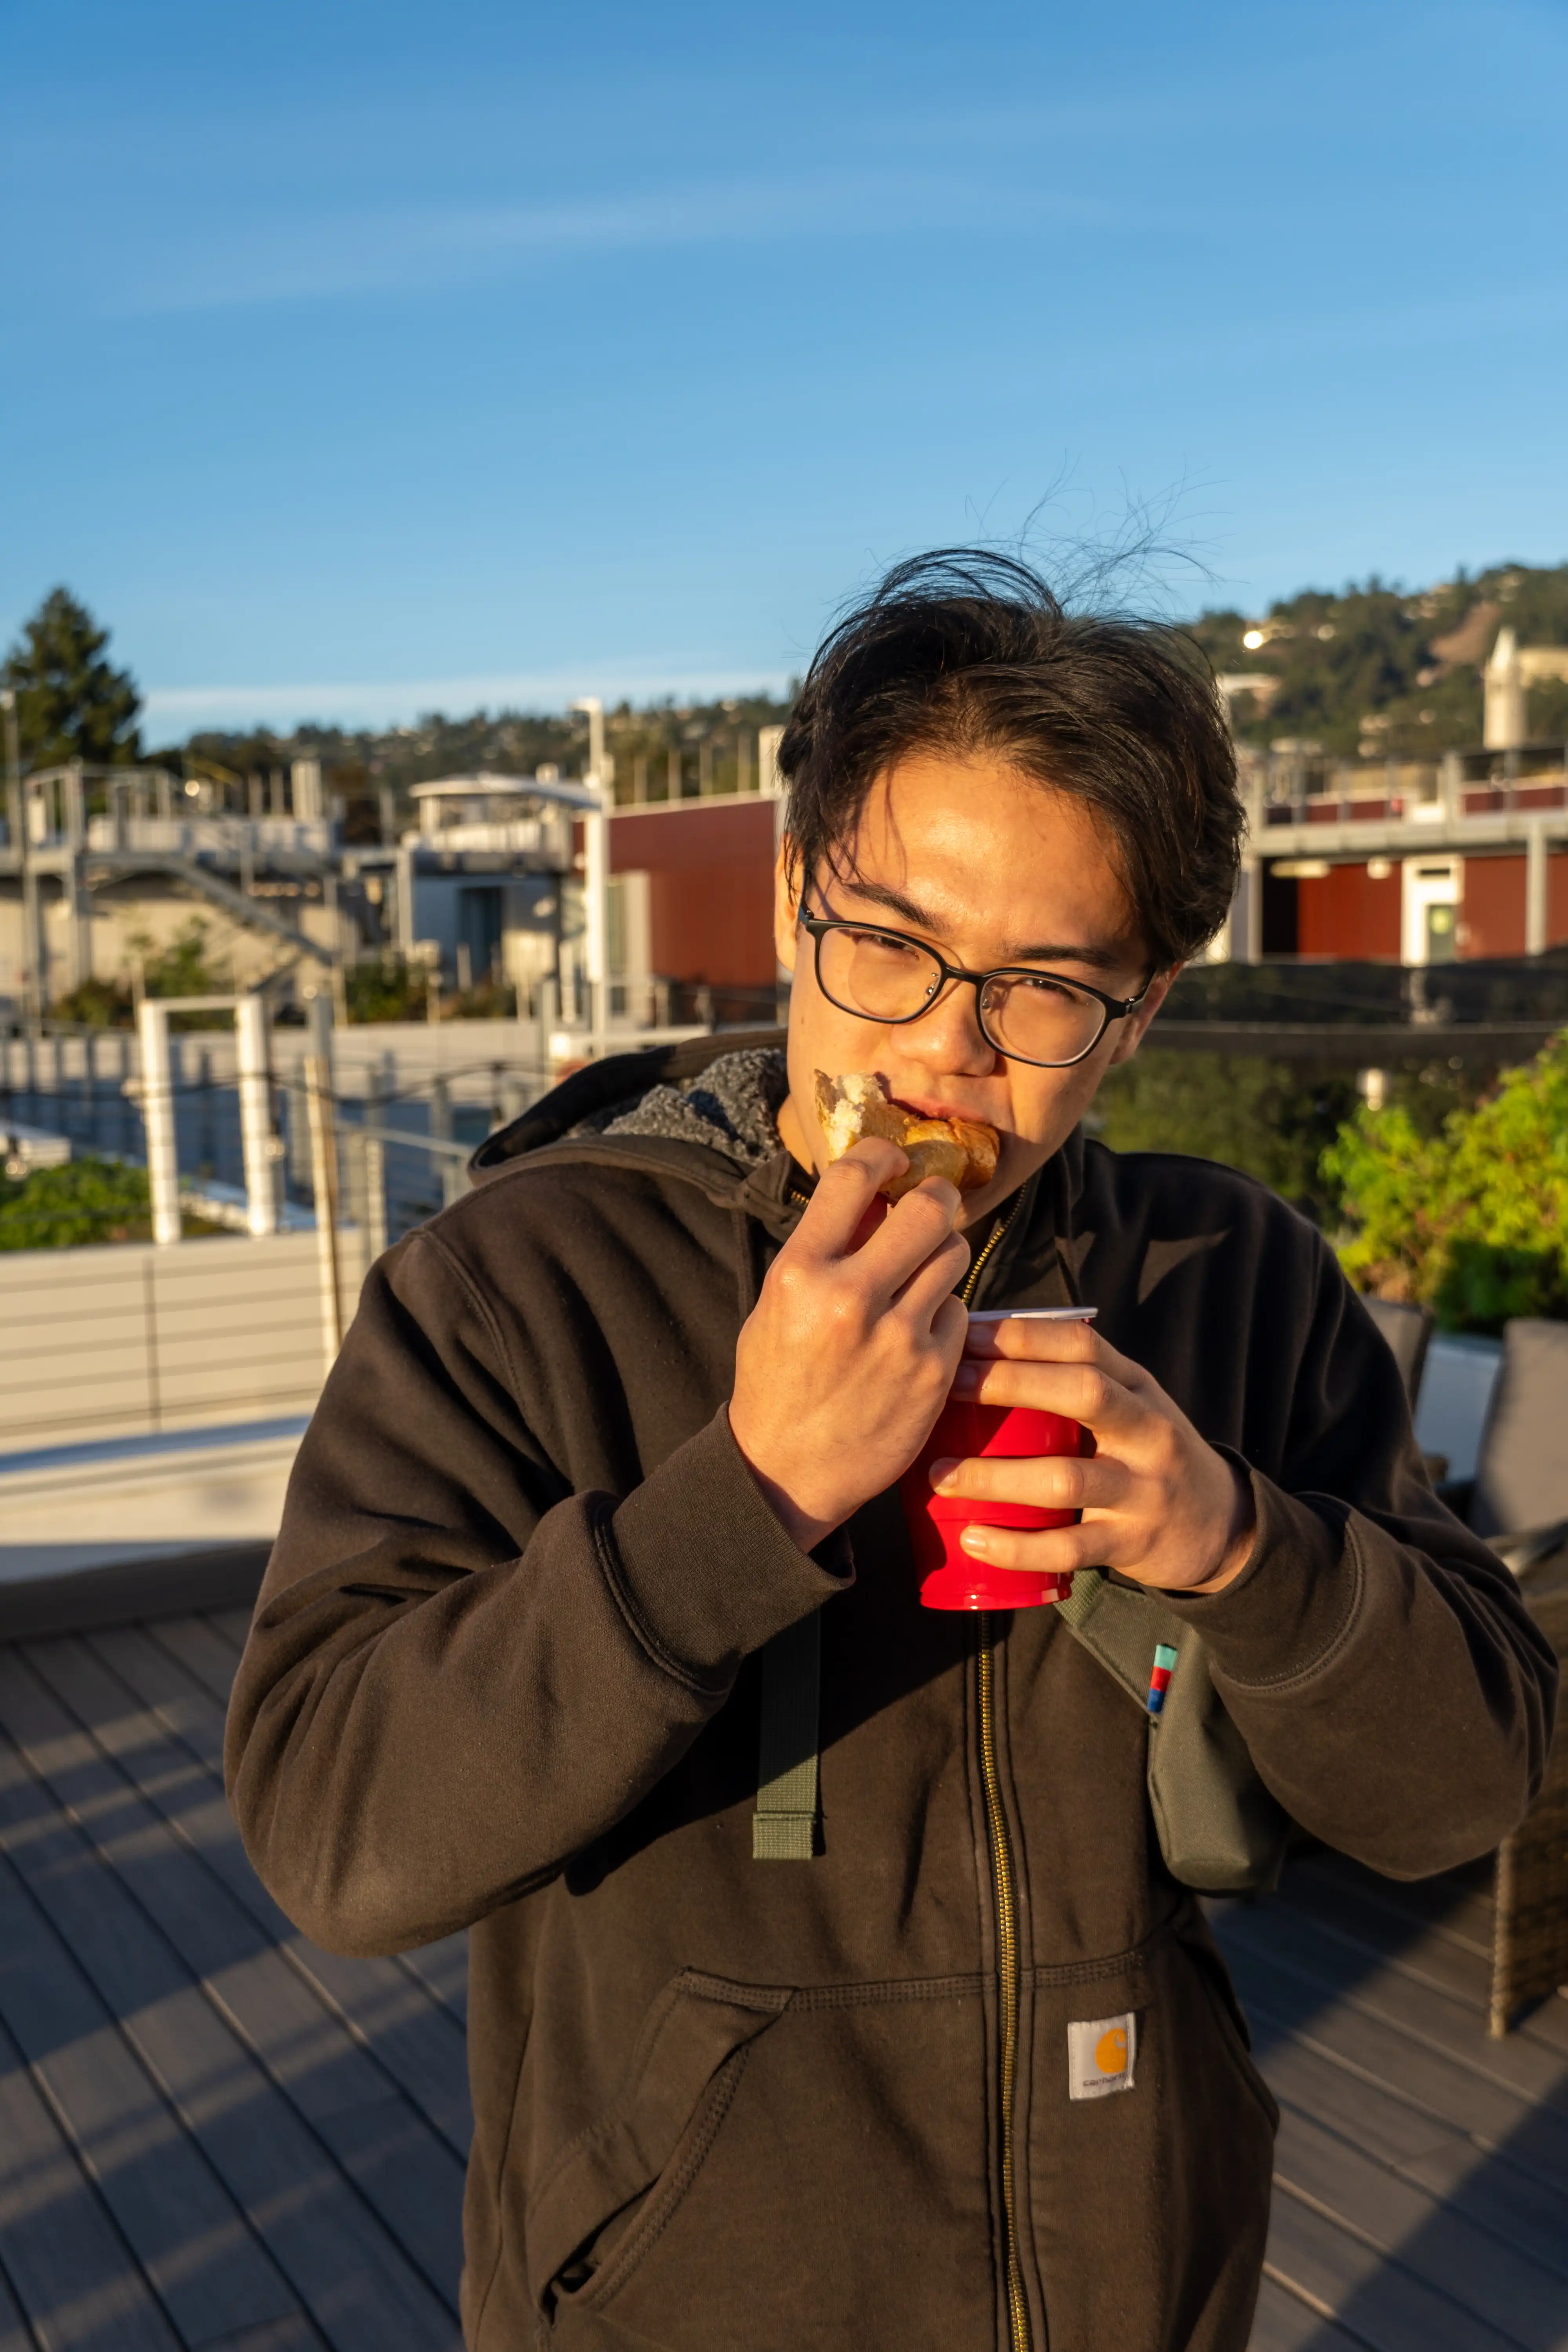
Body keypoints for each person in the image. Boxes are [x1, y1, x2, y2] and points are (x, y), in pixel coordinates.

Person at [226, 551, 1555, 2352]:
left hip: (1138, 2277)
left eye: (1044, 987)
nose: (944, 1045)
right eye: (890, 943)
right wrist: (740, 1497)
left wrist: (1241, 1544)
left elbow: (1472, 1782)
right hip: (674, 2298)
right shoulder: (520, 1283)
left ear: (1144, 1006)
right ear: (792, 896)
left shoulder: (1228, 1280)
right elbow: (335, 1837)